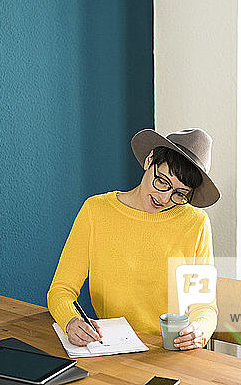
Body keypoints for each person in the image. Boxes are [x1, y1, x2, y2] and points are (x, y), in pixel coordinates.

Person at [47, 128, 220, 350]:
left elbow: (204, 306)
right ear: (149, 160)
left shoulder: (195, 223)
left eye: (180, 193)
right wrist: (71, 321)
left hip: (170, 349)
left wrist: (199, 330)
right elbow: (60, 290)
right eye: (162, 181)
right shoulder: (96, 211)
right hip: (112, 348)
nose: (164, 197)